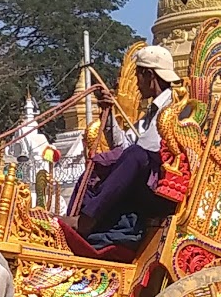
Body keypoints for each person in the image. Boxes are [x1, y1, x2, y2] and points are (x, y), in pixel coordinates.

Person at [64, 45, 181, 250]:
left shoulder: (173, 108)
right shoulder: (151, 111)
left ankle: (87, 220)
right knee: (98, 164)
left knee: (135, 155)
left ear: (148, 75)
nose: (137, 83)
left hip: (161, 189)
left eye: (138, 76)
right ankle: (77, 218)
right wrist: (108, 113)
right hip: (141, 177)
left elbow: (142, 151)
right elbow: (124, 144)